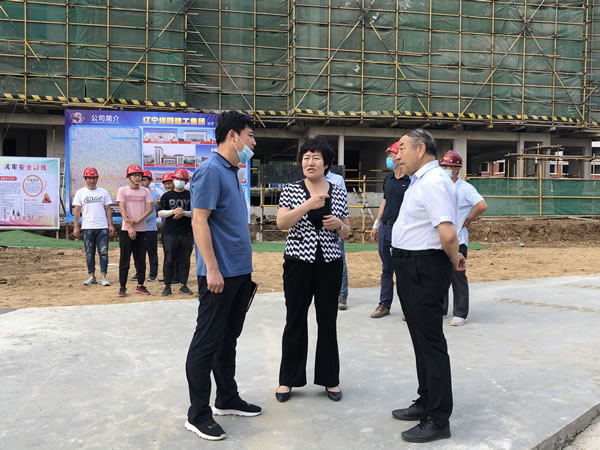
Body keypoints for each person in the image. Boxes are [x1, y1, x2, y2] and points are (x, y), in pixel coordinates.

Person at [185, 111, 261, 442]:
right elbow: (198, 221)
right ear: (233, 136)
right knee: (206, 343)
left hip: (239, 273)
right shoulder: (210, 171)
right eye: (250, 135)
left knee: (228, 338)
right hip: (220, 275)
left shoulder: (231, 171)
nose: (253, 142)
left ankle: (227, 397)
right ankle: (198, 414)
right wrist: (212, 268)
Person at [390, 129, 465, 444]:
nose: (398, 154)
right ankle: (426, 400)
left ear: (421, 149)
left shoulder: (434, 181)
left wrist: (454, 258)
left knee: (431, 344)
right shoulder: (419, 181)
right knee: (420, 340)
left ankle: (438, 418)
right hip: (411, 266)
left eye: (402, 148)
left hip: (425, 267)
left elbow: (447, 233)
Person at [275, 136, 350, 404]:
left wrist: (338, 225)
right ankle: (288, 379)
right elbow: (282, 222)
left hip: (329, 263)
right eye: (306, 157)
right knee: (295, 319)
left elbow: (347, 231)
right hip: (298, 262)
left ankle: (330, 378)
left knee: (328, 320)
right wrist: (308, 205)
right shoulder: (291, 190)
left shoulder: (338, 191)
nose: (310, 162)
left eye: (316, 157)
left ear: (326, 163)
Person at [439, 150, 488, 326]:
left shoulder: (465, 188)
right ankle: (441, 308)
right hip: (441, 239)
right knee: (440, 275)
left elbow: (482, 205)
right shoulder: (439, 186)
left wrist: (469, 219)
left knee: (457, 275)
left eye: (449, 166)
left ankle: (460, 312)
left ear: (457, 169)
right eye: (443, 166)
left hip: (458, 240)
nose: (445, 169)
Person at [369, 142, 411, 319]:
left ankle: (408, 307)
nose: (389, 159)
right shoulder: (388, 179)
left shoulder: (411, 180)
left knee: (404, 270)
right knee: (387, 268)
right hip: (386, 229)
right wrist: (376, 224)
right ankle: (384, 304)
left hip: (403, 231)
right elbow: (385, 201)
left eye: (391, 155)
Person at [72, 167, 114, 286]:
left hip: (102, 227)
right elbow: (77, 211)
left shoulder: (103, 192)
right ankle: (91, 276)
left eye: (94, 178)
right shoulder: (80, 193)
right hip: (87, 227)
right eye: (89, 178)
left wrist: (110, 224)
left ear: (97, 178)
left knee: (103, 252)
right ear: (85, 179)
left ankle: (104, 277)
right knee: (89, 253)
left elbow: (108, 209)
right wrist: (76, 227)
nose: (92, 180)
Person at [116, 164, 153, 297]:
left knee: (141, 259)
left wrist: (137, 220)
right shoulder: (123, 190)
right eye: (134, 175)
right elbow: (122, 209)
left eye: (139, 175)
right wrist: (130, 227)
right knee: (124, 259)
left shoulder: (145, 191)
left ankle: (140, 285)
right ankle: (122, 286)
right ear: (129, 177)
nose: (137, 177)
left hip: (142, 230)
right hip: (126, 231)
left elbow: (150, 209)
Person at [158, 168, 194, 296]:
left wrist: (183, 213)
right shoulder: (166, 196)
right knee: (169, 259)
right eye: (177, 179)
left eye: (182, 179)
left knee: (185, 260)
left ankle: (183, 285)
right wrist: (173, 211)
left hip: (186, 232)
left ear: (186, 181)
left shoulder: (191, 195)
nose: (179, 181)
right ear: (173, 179)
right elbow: (160, 212)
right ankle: (167, 286)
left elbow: (196, 212)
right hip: (170, 233)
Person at [325, 169, 350, 310]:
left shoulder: (337, 180)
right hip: (317, 229)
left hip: (335, 227)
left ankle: (342, 295)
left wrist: (340, 225)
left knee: (340, 261)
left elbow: (343, 205)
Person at [131, 170, 161, 283]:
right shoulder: (134, 193)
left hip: (150, 228)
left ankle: (153, 274)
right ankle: (139, 272)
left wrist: (157, 207)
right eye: (141, 179)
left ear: (150, 181)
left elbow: (158, 212)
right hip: (137, 228)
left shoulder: (155, 195)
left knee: (152, 252)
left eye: (145, 180)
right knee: (137, 252)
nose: (142, 182)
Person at [160, 172, 180, 285]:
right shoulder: (165, 196)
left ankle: (176, 277)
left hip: (176, 230)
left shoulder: (178, 196)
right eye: (165, 183)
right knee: (168, 254)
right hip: (166, 229)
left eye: (169, 183)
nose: (167, 185)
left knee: (176, 255)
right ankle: (168, 276)